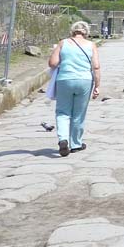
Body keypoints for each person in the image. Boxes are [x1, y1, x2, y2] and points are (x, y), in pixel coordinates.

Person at [48, 21, 101, 156]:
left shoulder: (63, 43)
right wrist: (97, 86)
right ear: (86, 32)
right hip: (84, 80)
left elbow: (53, 63)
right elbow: (96, 67)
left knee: (62, 112)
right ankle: (76, 144)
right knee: (79, 113)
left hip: (65, 80)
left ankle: (63, 140)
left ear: (72, 31)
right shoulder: (91, 45)